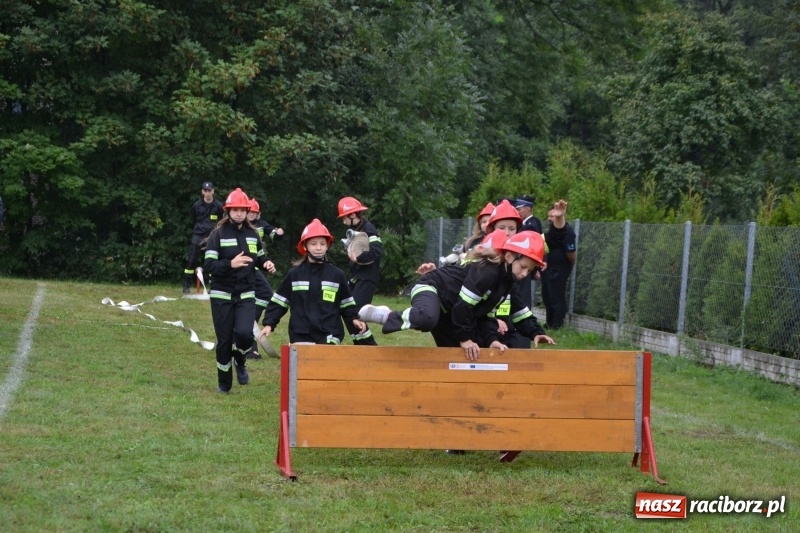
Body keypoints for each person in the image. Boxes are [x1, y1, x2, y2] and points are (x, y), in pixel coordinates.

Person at [359, 230, 546, 361]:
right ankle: (387, 315)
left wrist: (493, 341)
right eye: (523, 267)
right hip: (433, 287)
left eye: (528, 271)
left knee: (467, 353)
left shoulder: (506, 283)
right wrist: (464, 339)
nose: (524, 274)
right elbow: (464, 307)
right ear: (510, 256)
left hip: (450, 310)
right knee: (427, 318)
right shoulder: (488, 273)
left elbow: (484, 316)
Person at [204, 188, 272, 393]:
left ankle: (240, 360)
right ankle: (224, 385)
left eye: (243, 210)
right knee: (224, 342)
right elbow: (208, 266)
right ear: (228, 211)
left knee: (244, 334)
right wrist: (229, 264)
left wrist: (266, 262)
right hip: (221, 295)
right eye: (235, 210)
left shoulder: (253, 234)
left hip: (245, 294)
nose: (239, 213)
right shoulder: (217, 234)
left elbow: (259, 256)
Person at [258, 219, 367, 345]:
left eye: (322, 243)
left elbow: (347, 304)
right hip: (300, 334)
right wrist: (269, 324)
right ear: (305, 246)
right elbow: (279, 302)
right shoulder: (295, 274)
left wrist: (354, 318)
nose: (318, 248)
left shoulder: (337, 275)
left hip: (330, 335)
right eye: (313, 244)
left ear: (327, 245)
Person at [337, 196, 381, 345]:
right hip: (356, 277)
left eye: (344, 218)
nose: (343, 222)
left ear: (352, 215)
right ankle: (360, 345)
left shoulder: (369, 230)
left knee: (354, 313)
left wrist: (358, 258)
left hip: (367, 278)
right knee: (346, 309)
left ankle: (369, 347)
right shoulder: (355, 229)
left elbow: (376, 252)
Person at [245, 198, 278, 359]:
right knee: (249, 303)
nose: (250, 215)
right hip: (240, 274)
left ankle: (250, 328)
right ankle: (249, 346)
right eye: (248, 212)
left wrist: (267, 263)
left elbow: (259, 254)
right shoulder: (229, 231)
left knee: (264, 295)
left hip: (254, 268)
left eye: (253, 212)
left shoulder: (258, 229)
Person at [183, 182, 224, 294]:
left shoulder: (218, 206)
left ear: (213, 191)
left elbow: (221, 221)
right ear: (202, 191)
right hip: (198, 235)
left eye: (209, 190)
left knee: (212, 260)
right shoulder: (196, 205)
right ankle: (186, 285)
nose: (207, 193)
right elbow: (193, 220)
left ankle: (213, 286)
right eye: (205, 191)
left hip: (212, 236)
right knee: (191, 260)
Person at [541, 200, 577, 329]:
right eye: (549, 216)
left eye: (552, 216)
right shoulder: (550, 231)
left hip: (559, 269)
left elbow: (571, 253)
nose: (549, 219)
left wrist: (568, 267)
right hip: (547, 268)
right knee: (547, 297)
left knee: (557, 298)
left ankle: (557, 324)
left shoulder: (567, 231)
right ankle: (549, 322)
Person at [514, 195, 543, 309]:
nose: (518, 212)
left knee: (523, 295)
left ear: (528, 208)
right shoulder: (527, 223)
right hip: (523, 264)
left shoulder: (532, 225)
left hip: (525, 264)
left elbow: (535, 248)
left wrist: (536, 268)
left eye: (519, 209)